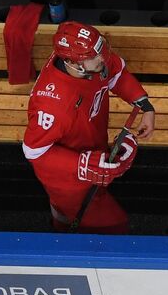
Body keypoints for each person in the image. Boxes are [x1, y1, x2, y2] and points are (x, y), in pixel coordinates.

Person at [22, 21, 157, 234]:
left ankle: (60, 229)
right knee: (114, 226)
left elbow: (116, 73)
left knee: (66, 217)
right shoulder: (53, 105)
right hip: (67, 179)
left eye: (101, 50)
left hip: (91, 147)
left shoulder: (89, 60)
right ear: (71, 62)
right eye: (95, 56)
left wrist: (144, 105)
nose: (102, 57)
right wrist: (82, 164)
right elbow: (34, 150)